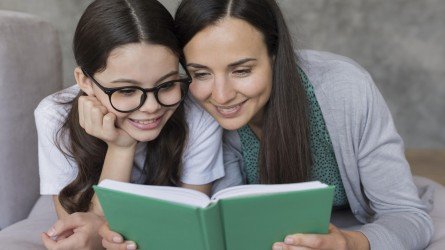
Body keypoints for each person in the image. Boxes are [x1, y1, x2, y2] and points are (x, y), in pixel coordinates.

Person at [173, 0, 434, 249]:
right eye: (201, 73)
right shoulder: (201, 111)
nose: (221, 96)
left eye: (241, 71)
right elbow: (231, 223)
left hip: (361, 229)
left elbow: (407, 215)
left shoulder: (346, 88)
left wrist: (350, 243)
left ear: (275, 55)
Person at [36, 0, 226, 249]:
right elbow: (78, 233)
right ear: (85, 81)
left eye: (167, 84)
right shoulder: (54, 116)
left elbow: (189, 221)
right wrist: (121, 148)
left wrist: (105, 229)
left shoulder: (199, 114)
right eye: (126, 90)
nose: (150, 107)